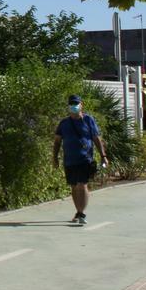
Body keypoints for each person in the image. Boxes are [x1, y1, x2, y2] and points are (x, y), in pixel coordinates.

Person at [52, 94, 108, 225]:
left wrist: (103, 156)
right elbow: (57, 141)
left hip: (85, 159)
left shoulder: (88, 120)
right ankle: (78, 211)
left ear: (81, 105)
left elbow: (96, 138)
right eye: (71, 104)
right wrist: (54, 158)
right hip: (69, 160)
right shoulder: (64, 123)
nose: (74, 106)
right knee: (74, 186)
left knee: (82, 184)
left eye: (76, 104)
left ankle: (82, 212)